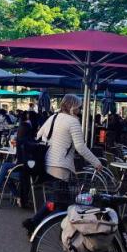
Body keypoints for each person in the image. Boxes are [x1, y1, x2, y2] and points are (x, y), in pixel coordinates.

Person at [22, 94, 104, 235]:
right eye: (78, 107)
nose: (79, 109)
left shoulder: (53, 117)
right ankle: (52, 230)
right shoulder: (73, 122)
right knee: (62, 202)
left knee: (57, 200)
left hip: (47, 163)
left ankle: (35, 223)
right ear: (72, 107)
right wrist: (96, 162)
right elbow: (80, 147)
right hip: (60, 166)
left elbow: (39, 135)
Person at [0, 121, 33, 202]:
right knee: (5, 167)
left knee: (5, 171)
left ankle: (15, 196)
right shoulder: (33, 141)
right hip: (34, 172)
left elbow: (20, 162)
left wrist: (14, 167)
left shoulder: (21, 142)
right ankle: (0, 190)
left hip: (24, 171)